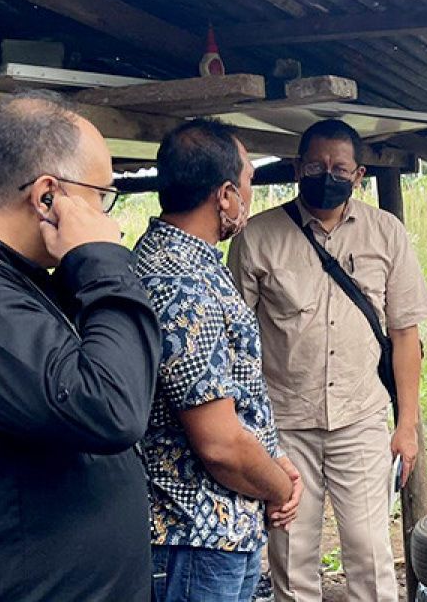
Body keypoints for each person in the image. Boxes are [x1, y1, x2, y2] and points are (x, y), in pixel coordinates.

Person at [0, 91, 161, 601]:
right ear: (47, 196)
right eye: (101, 195)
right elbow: (108, 406)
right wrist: (103, 261)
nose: (106, 216)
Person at [229, 119, 427, 602]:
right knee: (292, 555)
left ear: (358, 174)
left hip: (360, 421)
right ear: (298, 168)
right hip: (284, 428)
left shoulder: (386, 234)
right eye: (317, 165)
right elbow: (232, 341)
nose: (328, 174)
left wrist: (406, 425)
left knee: (369, 554)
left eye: (339, 167)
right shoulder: (257, 238)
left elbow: (405, 336)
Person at [133, 120, 302, 602]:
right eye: (247, 181)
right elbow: (221, 445)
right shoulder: (181, 283)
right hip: (194, 539)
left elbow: (232, 395)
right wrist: (278, 487)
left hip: (220, 533)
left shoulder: (194, 262)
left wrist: (275, 462)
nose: (249, 195)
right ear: (226, 195)